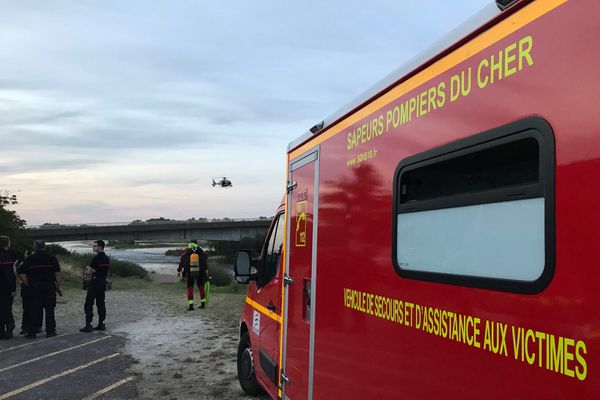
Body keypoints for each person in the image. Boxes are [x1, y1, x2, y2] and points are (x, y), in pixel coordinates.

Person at [18, 240, 62, 339]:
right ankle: (50, 331)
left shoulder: (30, 259)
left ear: (35, 247)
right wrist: (58, 286)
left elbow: (21, 272)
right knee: (50, 309)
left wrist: (27, 283)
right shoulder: (52, 258)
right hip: (49, 286)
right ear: (44, 246)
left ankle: (32, 332)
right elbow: (57, 274)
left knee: (34, 309)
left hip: (34, 286)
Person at [80, 240, 110, 333]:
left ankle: (89, 325)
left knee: (88, 303)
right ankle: (102, 324)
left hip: (95, 282)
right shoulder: (106, 258)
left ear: (100, 247)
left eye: (95, 246)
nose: (93, 248)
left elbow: (89, 271)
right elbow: (102, 270)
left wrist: (87, 270)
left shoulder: (96, 258)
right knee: (101, 303)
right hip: (102, 282)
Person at [16, 250, 42, 335]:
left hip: (27, 287)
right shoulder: (37, 262)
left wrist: (24, 282)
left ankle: (26, 327)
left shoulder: (24, 263)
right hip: (36, 286)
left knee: (27, 307)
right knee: (38, 307)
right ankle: (37, 326)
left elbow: (18, 272)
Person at [180, 240, 208, 310]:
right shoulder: (200, 250)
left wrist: (180, 270)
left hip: (190, 272)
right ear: (196, 244)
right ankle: (203, 304)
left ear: (190, 243)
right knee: (201, 287)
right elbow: (205, 260)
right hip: (200, 271)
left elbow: (182, 260)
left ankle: (191, 306)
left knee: (190, 288)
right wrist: (205, 272)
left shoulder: (187, 251)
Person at [0, 236, 17, 340]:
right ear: (7, 243)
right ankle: (9, 328)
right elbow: (8, 275)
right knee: (6, 308)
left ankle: (1, 331)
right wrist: (13, 288)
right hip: (4, 287)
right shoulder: (6, 257)